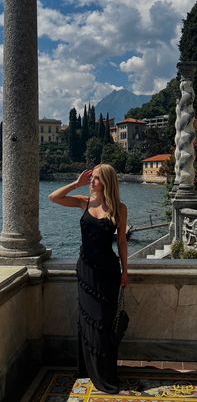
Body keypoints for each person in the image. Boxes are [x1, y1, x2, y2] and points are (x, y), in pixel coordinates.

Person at [48, 164, 128, 394]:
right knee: (87, 320)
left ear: (107, 182)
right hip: (85, 271)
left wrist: (125, 271)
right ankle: (87, 369)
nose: (91, 182)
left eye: (95, 179)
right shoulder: (84, 201)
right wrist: (76, 183)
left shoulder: (119, 209)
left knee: (103, 322)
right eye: (91, 178)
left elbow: (122, 241)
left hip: (108, 272)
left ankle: (105, 373)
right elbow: (53, 197)